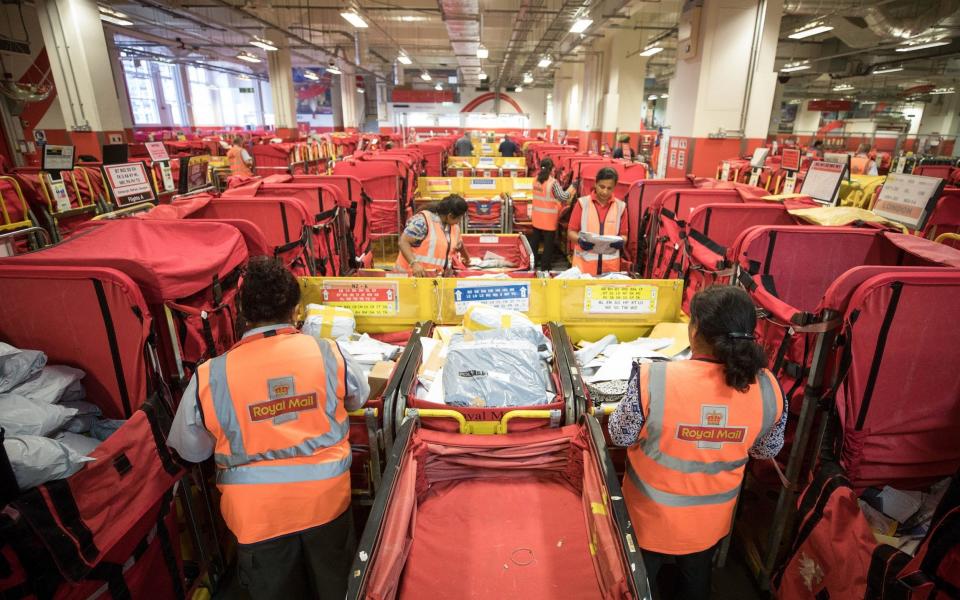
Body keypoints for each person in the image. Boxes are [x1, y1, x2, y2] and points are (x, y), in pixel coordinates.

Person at [167, 257, 369, 600]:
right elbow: (358, 397)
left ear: (241, 313)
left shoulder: (211, 376)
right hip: (327, 503)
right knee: (338, 587)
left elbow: (191, 449)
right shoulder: (328, 353)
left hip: (257, 519)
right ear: (296, 308)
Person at [608, 285, 786, 600]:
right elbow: (766, 449)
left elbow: (620, 435)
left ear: (696, 331)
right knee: (695, 582)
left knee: (640, 586)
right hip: (710, 524)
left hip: (648, 520)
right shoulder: (769, 387)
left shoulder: (654, 377)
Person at [566, 167, 627, 275]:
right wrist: (580, 240)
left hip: (610, 270)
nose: (605, 191)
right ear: (595, 183)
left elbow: (624, 235)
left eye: (609, 188)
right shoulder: (582, 204)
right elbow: (571, 232)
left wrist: (621, 242)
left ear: (614, 188)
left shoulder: (620, 207)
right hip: (584, 269)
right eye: (602, 187)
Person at [396, 194, 470, 276]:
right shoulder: (422, 221)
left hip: (431, 278)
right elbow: (403, 242)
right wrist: (414, 263)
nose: (458, 221)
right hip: (409, 276)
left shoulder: (454, 227)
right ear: (450, 216)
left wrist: (467, 258)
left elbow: (459, 245)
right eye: (459, 218)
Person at [530, 158, 575, 270]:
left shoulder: (535, 180)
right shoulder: (553, 183)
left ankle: (532, 265)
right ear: (552, 169)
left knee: (534, 244)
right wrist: (573, 187)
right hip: (548, 220)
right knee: (548, 246)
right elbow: (563, 197)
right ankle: (545, 268)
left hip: (536, 218)